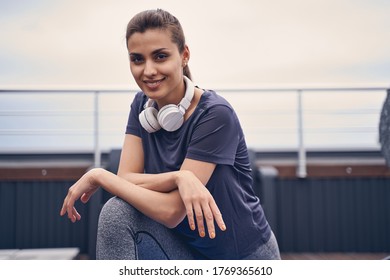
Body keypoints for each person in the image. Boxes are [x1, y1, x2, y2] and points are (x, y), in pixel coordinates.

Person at [60, 8, 281, 260]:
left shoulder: (216, 114)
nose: (148, 71)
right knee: (116, 213)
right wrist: (179, 178)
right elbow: (125, 177)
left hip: (242, 257)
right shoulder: (141, 105)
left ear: (184, 55)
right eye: (137, 59)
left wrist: (100, 176)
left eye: (160, 56)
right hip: (184, 249)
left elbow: (173, 211)